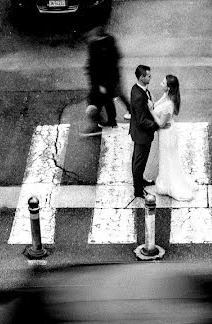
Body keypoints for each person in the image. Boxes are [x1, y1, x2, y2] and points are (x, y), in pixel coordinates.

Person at [151, 75, 197, 201]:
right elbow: (156, 105)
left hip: (167, 134)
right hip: (167, 131)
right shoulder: (166, 96)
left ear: (169, 87)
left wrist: (151, 111)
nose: (161, 83)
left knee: (168, 158)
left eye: (163, 82)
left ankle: (168, 185)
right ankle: (165, 183)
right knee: (166, 157)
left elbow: (161, 123)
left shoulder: (169, 104)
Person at [129, 65, 168, 199]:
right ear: (141, 77)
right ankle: (138, 190)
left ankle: (140, 181)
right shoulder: (139, 96)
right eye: (148, 76)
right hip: (142, 135)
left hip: (138, 133)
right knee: (139, 161)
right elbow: (142, 120)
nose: (150, 77)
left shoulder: (137, 89)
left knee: (138, 159)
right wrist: (157, 125)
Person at [83, 27, 130, 136]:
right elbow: (116, 57)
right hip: (111, 77)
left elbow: (96, 65)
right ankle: (111, 121)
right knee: (109, 98)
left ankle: (97, 125)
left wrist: (100, 83)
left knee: (96, 101)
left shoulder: (95, 46)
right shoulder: (109, 41)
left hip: (101, 80)